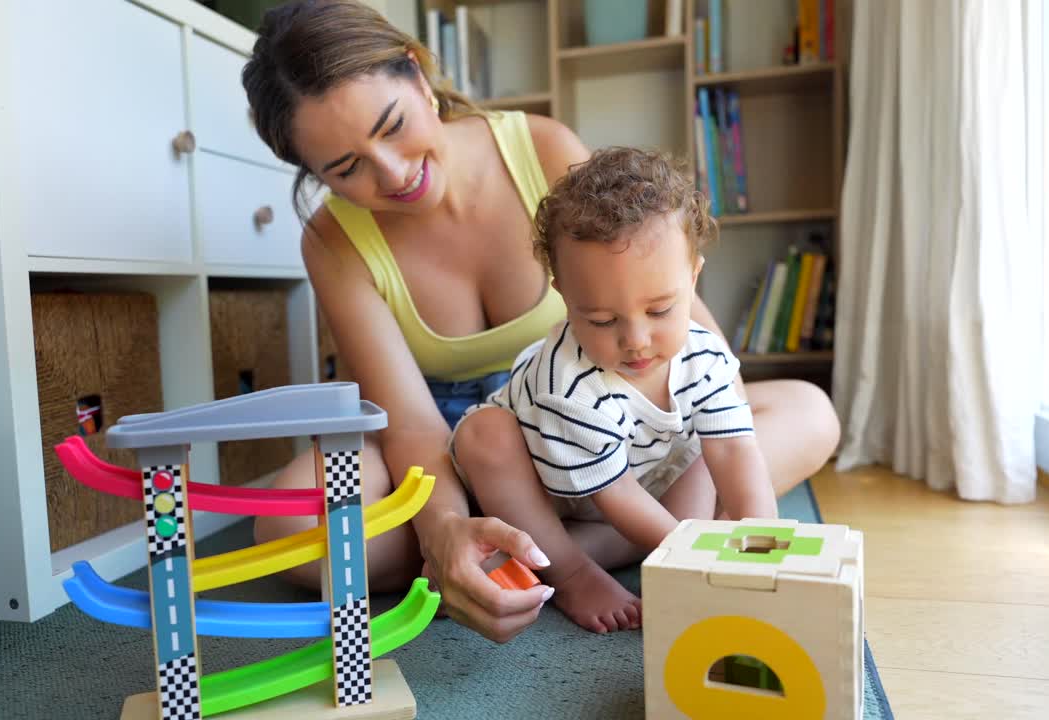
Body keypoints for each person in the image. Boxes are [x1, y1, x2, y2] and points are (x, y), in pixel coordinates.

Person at [240, 0, 839, 643]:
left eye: (393, 126)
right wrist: (443, 527)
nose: (393, 172)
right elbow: (411, 425)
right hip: (458, 448)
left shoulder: (540, 148)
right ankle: (529, 543)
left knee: (809, 411)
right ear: (315, 173)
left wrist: (714, 437)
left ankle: (560, 550)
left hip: (617, 416)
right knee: (291, 529)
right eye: (347, 168)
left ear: (417, 74)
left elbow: (682, 324)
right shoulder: (333, 241)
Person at [450, 147, 778, 633]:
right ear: (565, 295)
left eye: (660, 311)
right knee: (484, 433)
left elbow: (733, 450)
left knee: (709, 446)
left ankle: (669, 555)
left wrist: (765, 542)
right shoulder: (568, 383)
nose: (636, 341)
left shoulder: (704, 356)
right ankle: (572, 572)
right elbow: (615, 493)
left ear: (693, 277)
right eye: (602, 320)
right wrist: (693, 552)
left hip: (631, 481)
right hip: (540, 492)